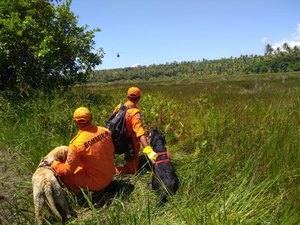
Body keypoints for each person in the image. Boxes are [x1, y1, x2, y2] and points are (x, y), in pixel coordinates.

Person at [43, 107, 115, 194]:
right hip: (111, 174)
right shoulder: (105, 131)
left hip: (97, 183)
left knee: (62, 177)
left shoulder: (76, 144)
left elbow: (67, 170)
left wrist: (53, 163)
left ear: (75, 121)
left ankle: (77, 195)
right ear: (91, 118)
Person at [114, 86, 157, 175]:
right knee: (132, 171)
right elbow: (140, 133)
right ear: (139, 98)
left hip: (117, 138)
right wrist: (150, 152)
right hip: (130, 142)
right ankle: (113, 171)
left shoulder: (119, 107)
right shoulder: (134, 112)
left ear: (127, 97)